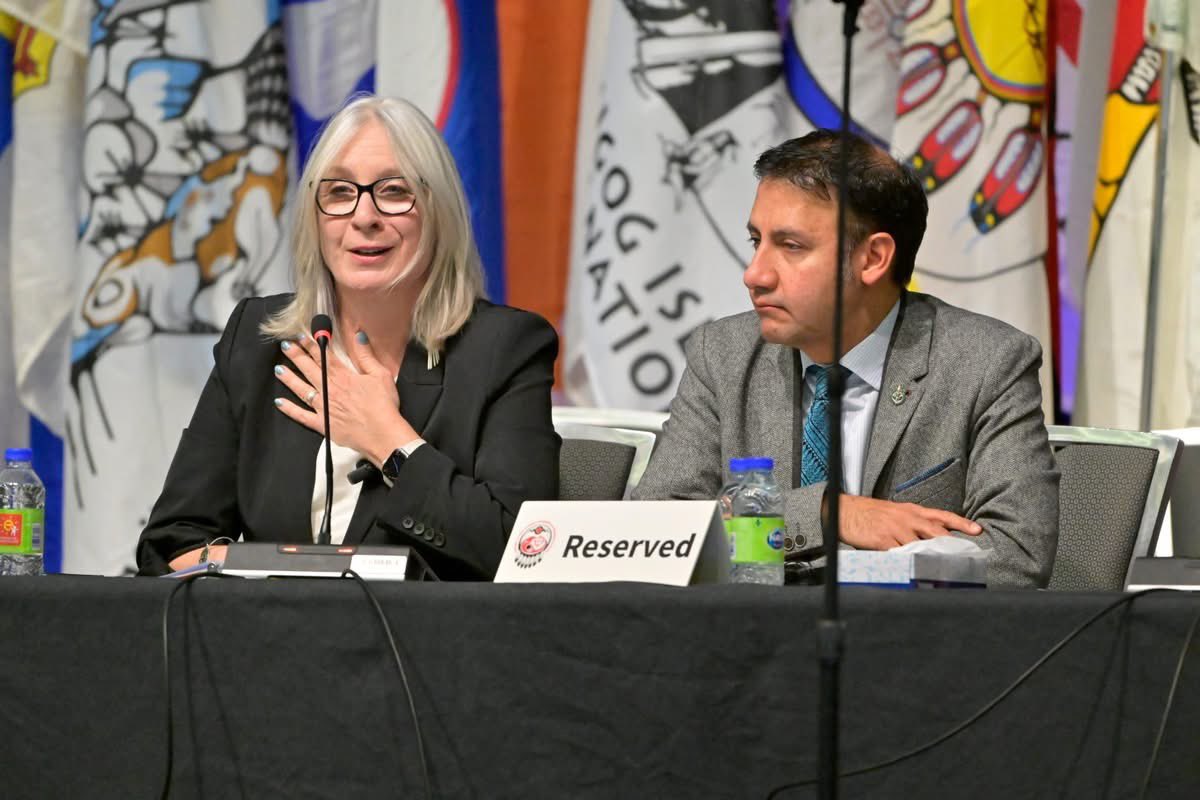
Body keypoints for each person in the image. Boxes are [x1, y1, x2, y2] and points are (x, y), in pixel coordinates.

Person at [137, 95, 559, 580]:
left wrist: (390, 442)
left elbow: (523, 555)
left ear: (438, 210)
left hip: (422, 650)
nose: (364, 216)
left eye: (394, 191)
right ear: (315, 218)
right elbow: (172, 542)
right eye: (339, 192)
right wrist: (273, 576)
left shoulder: (503, 350)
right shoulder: (258, 342)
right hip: (263, 641)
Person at [632, 130, 1059, 587]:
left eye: (791, 246)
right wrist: (826, 514)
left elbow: (1017, 557)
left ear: (873, 258)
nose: (754, 274)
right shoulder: (723, 356)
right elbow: (654, 531)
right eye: (757, 240)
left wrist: (839, 570)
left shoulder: (986, 362)